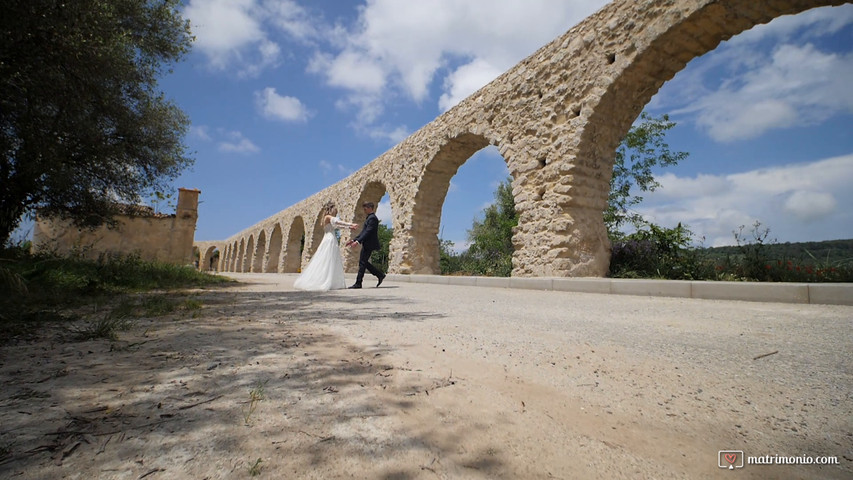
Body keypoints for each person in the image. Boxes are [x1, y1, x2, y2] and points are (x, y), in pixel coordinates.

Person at [293, 203, 357, 291]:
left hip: (330, 238)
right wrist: (350, 224)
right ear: (331, 209)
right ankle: (325, 280)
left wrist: (349, 228)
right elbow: (337, 222)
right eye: (334, 209)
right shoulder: (327, 217)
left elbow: (338, 226)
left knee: (331, 259)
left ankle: (330, 280)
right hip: (329, 239)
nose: (336, 211)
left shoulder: (327, 219)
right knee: (328, 258)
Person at [346, 201, 386, 288]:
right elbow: (363, 232)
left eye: (365, 208)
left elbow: (368, 232)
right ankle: (379, 275)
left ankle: (358, 283)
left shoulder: (373, 218)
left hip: (369, 244)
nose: (364, 210)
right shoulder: (369, 218)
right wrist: (354, 240)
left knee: (362, 263)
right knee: (363, 262)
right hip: (367, 243)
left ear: (370, 208)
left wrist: (357, 242)